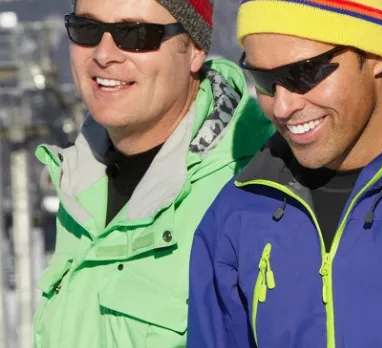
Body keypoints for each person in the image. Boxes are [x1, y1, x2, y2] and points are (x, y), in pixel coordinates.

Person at [185, 0, 382, 347]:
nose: (283, 106)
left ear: (375, 55)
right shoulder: (235, 217)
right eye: (264, 80)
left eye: (305, 73)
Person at [32, 0, 274, 346]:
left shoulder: (258, 195)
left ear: (194, 49)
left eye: (135, 34)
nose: (103, 54)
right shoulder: (78, 185)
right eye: (87, 29)